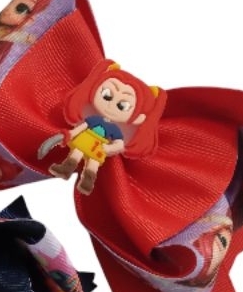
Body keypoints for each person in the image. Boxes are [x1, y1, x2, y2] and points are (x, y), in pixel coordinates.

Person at [48, 60, 166, 195]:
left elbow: (119, 143)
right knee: (77, 152)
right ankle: (66, 168)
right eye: (107, 95)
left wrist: (108, 148)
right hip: (85, 139)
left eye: (122, 106)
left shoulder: (114, 130)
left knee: (93, 163)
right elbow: (82, 126)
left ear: (139, 118)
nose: (110, 105)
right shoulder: (94, 119)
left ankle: (88, 180)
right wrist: (71, 133)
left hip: (100, 146)